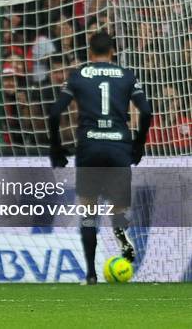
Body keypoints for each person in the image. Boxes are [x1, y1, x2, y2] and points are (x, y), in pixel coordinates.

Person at [48, 31, 152, 285]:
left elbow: (54, 113)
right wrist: (138, 145)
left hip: (89, 147)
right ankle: (119, 229)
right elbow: (147, 111)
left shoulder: (79, 75)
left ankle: (91, 274)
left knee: (88, 212)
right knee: (118, 209)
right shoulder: (127, 76)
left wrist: (56, 149)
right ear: (113, 52)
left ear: (90, 53)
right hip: (118, 147)